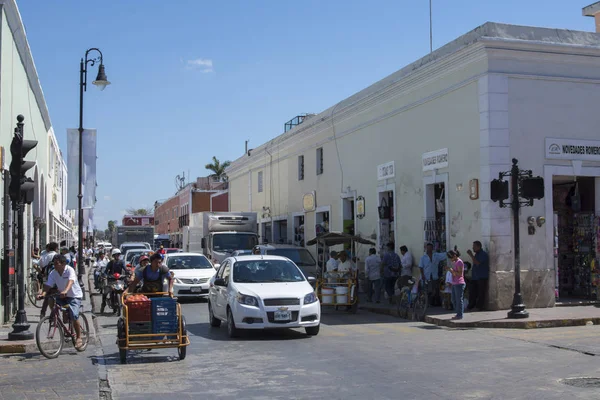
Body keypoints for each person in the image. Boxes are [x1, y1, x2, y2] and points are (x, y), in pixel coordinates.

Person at [37, 254, 85, 349]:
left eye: (56, 263)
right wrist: (42, 294)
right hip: (62, 295)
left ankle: (79, 337)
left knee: (73, 314)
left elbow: (71, 281)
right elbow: (48, 285)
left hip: (74, 296)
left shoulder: (69, 270)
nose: (54, 265)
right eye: (53, 264)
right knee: (50, 299)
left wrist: (65, 291)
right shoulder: (53, 272)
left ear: (63, 263)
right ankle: (55, 317)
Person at [418, 242, 447, 307]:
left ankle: (434, 302)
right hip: (426, 276)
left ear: (432, 248)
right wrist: (422, 275)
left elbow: (444, 255)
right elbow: (420, 267)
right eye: (428, 248)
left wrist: (452, 252)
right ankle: (426, 303)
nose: (429, 249)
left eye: (430, 248)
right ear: (426, 248)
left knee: (435, 289)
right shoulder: (423, 257)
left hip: (434, 276)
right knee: (427, 290)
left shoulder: (436, 255)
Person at [101, 249, 128, 313]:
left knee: (126, 290)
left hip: (120, 280)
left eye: (118, 254)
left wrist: (128, 273)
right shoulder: (110, 263)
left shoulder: (122, 262)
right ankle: (103, 304)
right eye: (116, 255)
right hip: (111, 280)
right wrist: (105, 276)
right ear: (113, 255)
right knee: (105, 292)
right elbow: (105, 271)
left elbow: (125, 269)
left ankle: (126, 304)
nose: (117, 256)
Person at [466, 241, 489, 311]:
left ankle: (479, 307)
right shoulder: (477, 254)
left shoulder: (483, 254)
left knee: (480, 293)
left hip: (481, 276)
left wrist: (471, 255)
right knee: (472, 292)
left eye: (474, 246)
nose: (473, 248)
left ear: (478, 247)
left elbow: (477, 263)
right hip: (475, 276)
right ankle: (471, 306)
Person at [39, 242, 59, 318]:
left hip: (46, 279)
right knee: (55, 298)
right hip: (55, 279)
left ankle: (43, 313)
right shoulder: (57, 256)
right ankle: (54, 315)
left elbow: (39, 265)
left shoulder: (43, 256)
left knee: (47, 296)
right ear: (55, 248)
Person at [446, 250, 465, 320]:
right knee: (453, 299)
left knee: (458, 300)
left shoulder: (459, 262)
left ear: (454, 256)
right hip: (454, 283)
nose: (451, 260)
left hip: (459, 283)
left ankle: (459, 314)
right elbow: (454, 274)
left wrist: (451, 270)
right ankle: (458, 313)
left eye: (451, 258)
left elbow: (460, 274)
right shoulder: (455, 262)